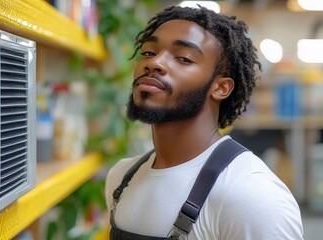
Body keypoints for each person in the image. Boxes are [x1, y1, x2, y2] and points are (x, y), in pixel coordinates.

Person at [105, 5, 304, 240]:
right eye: (149, 52)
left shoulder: (252, 196)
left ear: (220, 87)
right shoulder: (121, 178)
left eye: (183, 58)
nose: (155, 62)